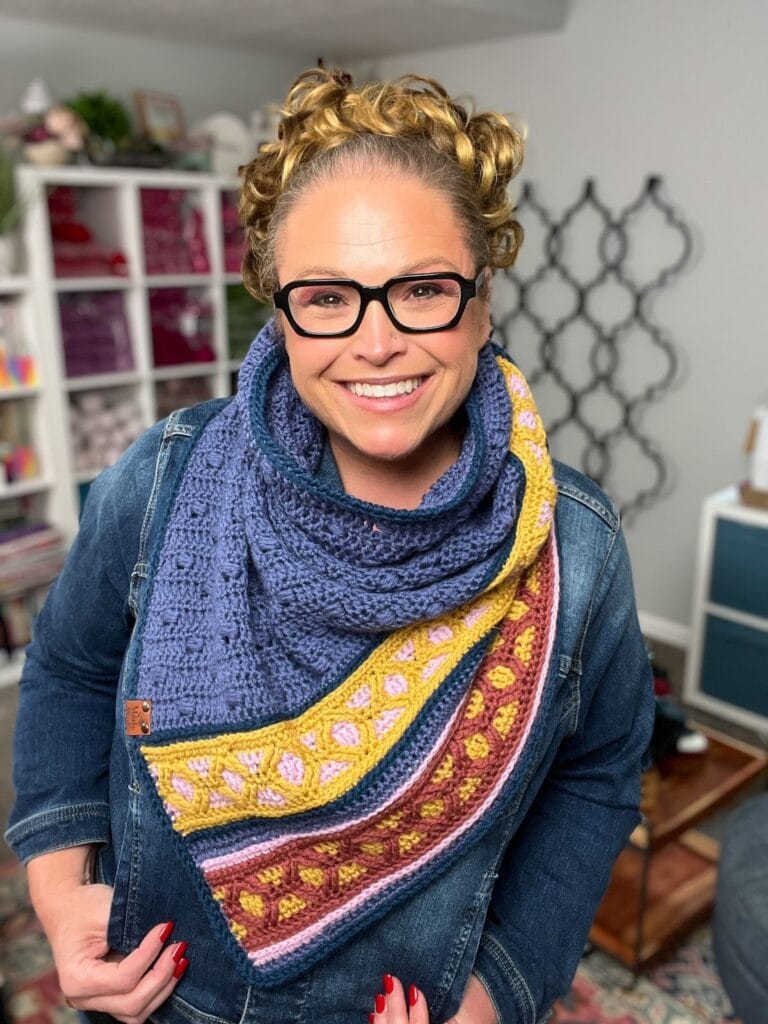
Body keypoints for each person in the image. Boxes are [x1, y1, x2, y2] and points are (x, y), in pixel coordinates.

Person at [6, 67, 654, 1024]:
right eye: (327, 296)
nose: (377, 341)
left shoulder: (576, 549)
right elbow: (67, 668)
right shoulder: (164, 482)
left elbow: (597, 775)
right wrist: (59, 891)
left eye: (423, 290)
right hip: (157, 1003)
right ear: (282, 311)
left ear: (480, 304)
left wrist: (501, 992)